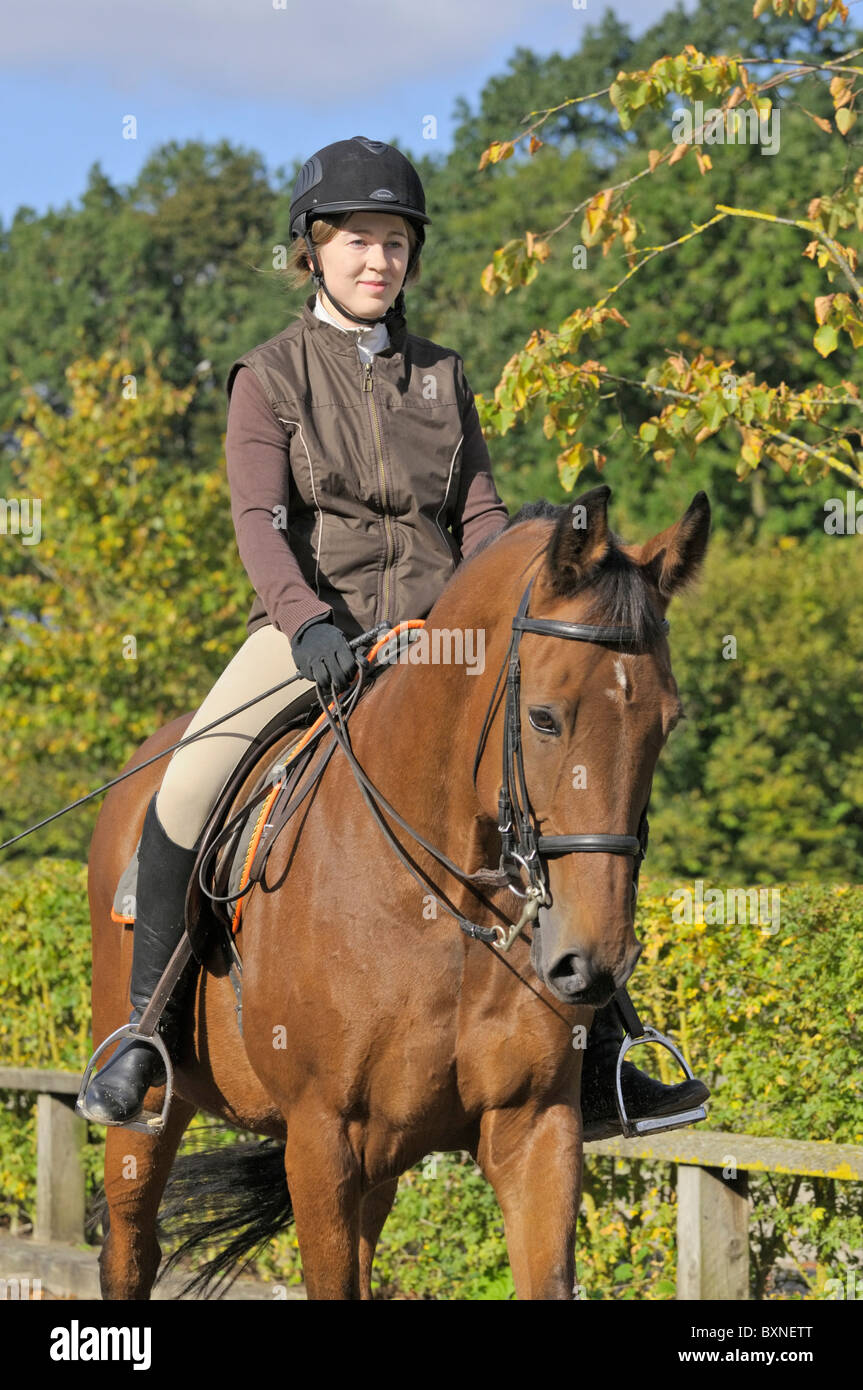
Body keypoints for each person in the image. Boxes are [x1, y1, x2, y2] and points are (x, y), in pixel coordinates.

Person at [81, 135, 708, 1135]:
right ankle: (142, 1036)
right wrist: (304, 624)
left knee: (551, 792)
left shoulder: (441, 377)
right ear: (313, 251)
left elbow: (482, 519)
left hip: (435, 644)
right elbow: (258, 523)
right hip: (307, 635)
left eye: (394, 243)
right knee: (187, 787)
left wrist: (495, 608)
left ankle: (608, 1055)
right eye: (356, 241)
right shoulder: (271, 375)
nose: (377, 260)